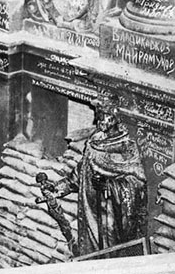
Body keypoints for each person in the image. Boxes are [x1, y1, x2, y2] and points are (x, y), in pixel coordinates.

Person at [52, 95, 147, 256]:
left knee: (110, 254)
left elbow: (137, 184)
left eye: (105, 116)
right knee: (90, 254)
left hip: (111, 217)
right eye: (99, 115)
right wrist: (58, 188)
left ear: (115, 117)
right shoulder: (94, 143)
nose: (100, 120)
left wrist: (109, 186)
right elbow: (79, 174)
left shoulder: (126, 147)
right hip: (90, 214)